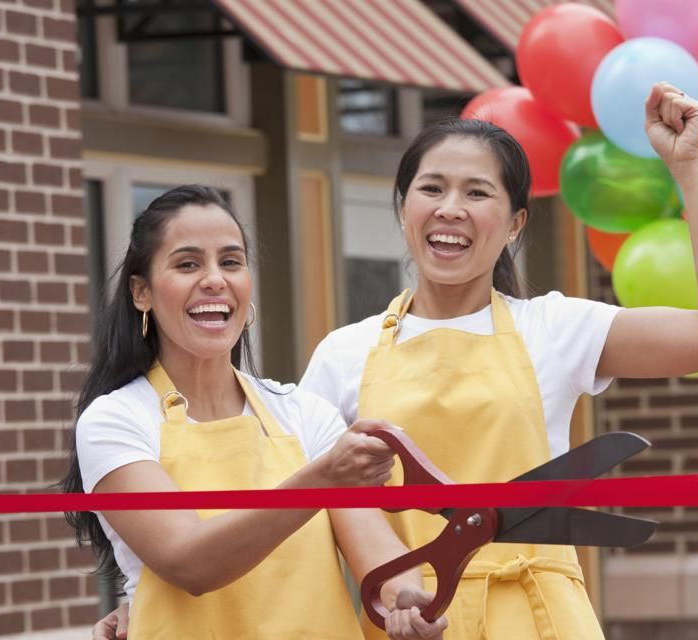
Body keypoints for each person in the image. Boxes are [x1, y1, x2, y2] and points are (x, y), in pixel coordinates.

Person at [299, 82, 698, 639]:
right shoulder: (342, 354)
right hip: (411, 619)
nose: (451, 209)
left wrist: (689, 168)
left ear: (516, 224)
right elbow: (323, 500)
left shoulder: (554, 328)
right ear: (404, 209)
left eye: (477, 193)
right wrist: (398, 590)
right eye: (432, 188)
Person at [63, 185, 447, 639]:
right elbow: (191, 562)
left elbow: (378, 555)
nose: (214, 279)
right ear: (141, 292)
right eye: (188, 264)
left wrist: (404, 597)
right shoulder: (116, 421)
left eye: (230, 262)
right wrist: (319, 479)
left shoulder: (305, 414)